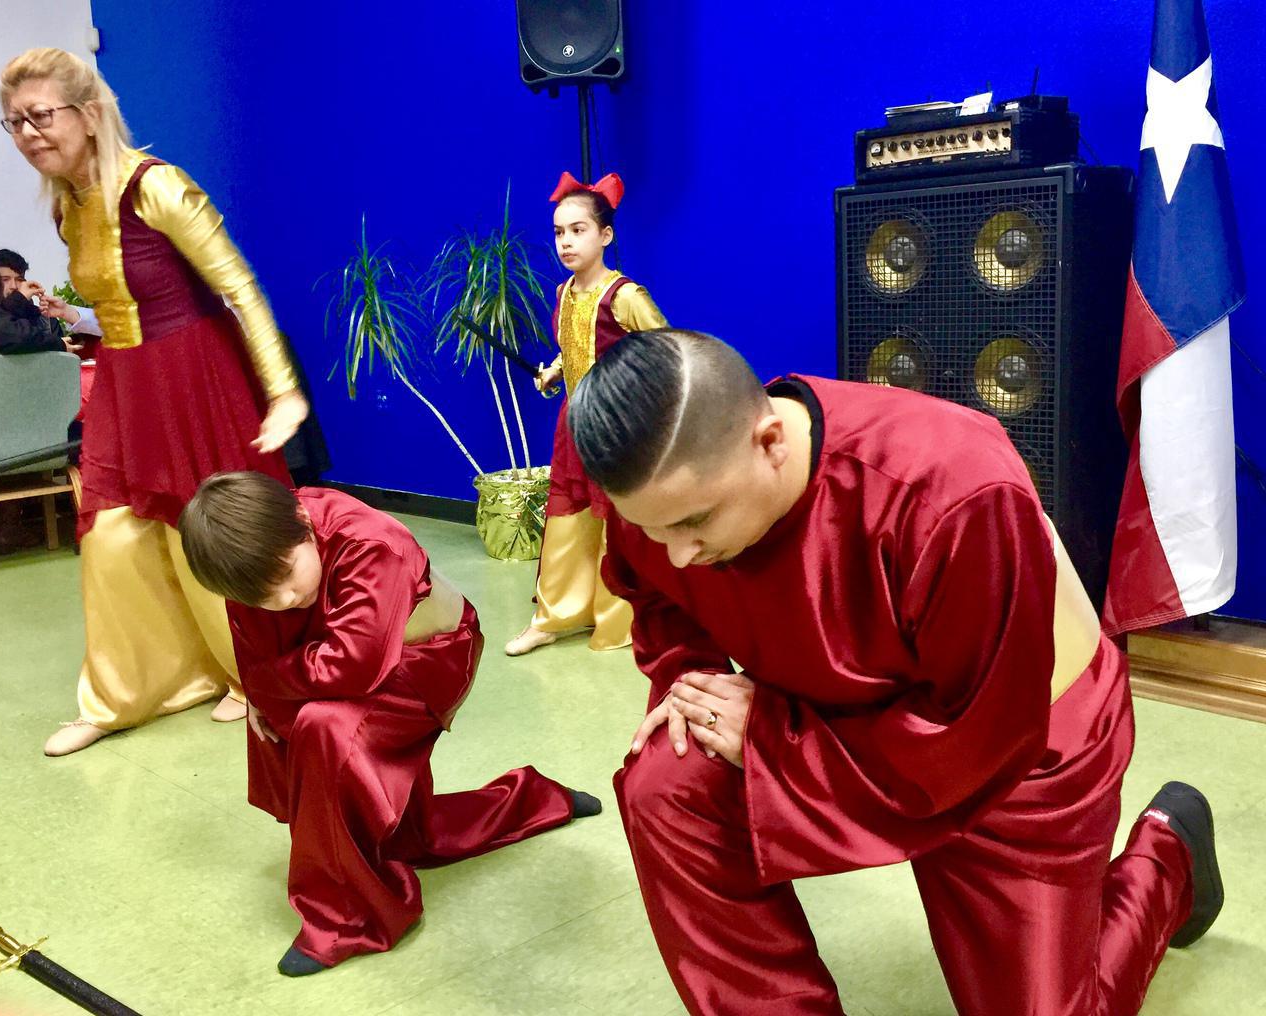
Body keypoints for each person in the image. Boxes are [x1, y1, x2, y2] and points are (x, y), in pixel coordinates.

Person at [566, 329, 1223, 1016]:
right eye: (655, 529)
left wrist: (772, 741)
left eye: (696, 523)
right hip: (822, 715)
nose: (677, 554)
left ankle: (1167, 857)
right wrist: (691, 681)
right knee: (667, 780)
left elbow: (980, 737)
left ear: (768, 441)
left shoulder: (953, 489)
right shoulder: (662, 495)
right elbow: (652, 592)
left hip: (1012, 747)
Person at [0, 48, 310, 755]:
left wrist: (283, 390)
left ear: (87, 112)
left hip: (193, 373)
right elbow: (106, 308)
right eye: (13, 122)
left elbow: (238, 289)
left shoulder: (156, 185)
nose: (28, 133)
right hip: (122, 382)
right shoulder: (69, 207)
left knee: (211, 525)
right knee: (109, 530)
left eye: (41, 115)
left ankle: (250, 674)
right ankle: (122, 693)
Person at [178, 472, 601, 975]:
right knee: (298, 740)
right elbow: (255, 643)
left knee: (323, 727)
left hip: (428, 656)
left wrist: (269, 681)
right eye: (264, 597)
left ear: (300, 523)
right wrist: (264, 694)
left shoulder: (369, 541)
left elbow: (352, 665)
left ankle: (346, 919)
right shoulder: (257, 562)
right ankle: (532, 799)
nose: (286, 598)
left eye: (288, 574)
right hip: (341, 657)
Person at [505, 171, 667, 657]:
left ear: (605, 236)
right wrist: (556, 370)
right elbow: (573, 346)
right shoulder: (563, 294)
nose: (566, 242)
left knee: (617, 523)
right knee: (567, 519)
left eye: (578, 230)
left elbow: (665, 354)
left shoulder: (625, 296)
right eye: (559, 232)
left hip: (616, 430)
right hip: (573, 425)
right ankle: (553, 616)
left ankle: (619, 618)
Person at [0, 250, 81, 355]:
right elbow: (9, 333)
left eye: (19, 279)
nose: (13, 286)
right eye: (5, 279)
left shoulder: (44, 320)